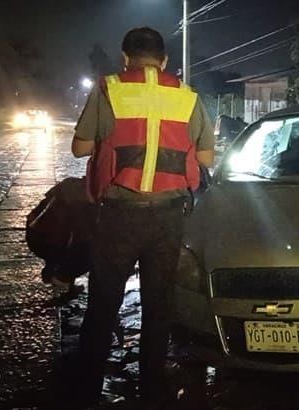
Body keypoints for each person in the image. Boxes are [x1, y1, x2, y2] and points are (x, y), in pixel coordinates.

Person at [69, 26, 214, 407]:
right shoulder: (187, 96)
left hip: (118, 214)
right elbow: (206, 158)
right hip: (168, 216)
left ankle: (85, 388)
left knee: (103, 303)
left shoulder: (110, 88)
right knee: (158, 305)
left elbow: (79, 148)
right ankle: (152, 388)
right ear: (164, 60)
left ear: (125, 57)